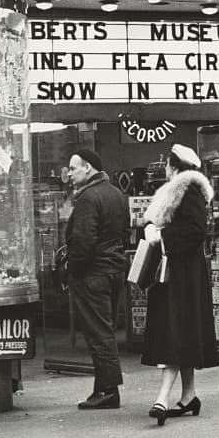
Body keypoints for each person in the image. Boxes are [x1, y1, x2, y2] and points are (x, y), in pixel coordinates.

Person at [141, 143, 219, 426]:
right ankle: (189, 395)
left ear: (174, 167)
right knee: (181, 334)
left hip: (179, 278)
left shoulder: (185, 191)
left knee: (172, 335)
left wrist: (161, 237)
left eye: (167, 164)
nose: (164, 169)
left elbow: (194, 232)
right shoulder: (188, 192)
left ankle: (162, 398)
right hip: (180, 276)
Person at [64, 148, 129, 410]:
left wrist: (73, 271)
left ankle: (108, 390)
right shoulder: (116, 193)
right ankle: (102, 388)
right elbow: (123, 230)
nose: (68, 174)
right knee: (107, 329)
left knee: (99, 334)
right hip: (113, 270)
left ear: (88, 168)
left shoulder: (88, 198)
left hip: (93, 274)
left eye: (73, 168)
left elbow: (83, 241)